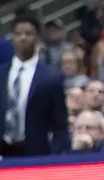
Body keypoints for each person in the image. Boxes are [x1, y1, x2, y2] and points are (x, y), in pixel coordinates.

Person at [0, 12, 69, 157]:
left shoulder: (50, 77)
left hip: (35, 151)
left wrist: (55, 157)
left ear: (38, 38)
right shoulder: (2, 73)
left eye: (28, 33)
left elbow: (60, 124)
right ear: (12, 38)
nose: (23, 38)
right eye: (18, 34)